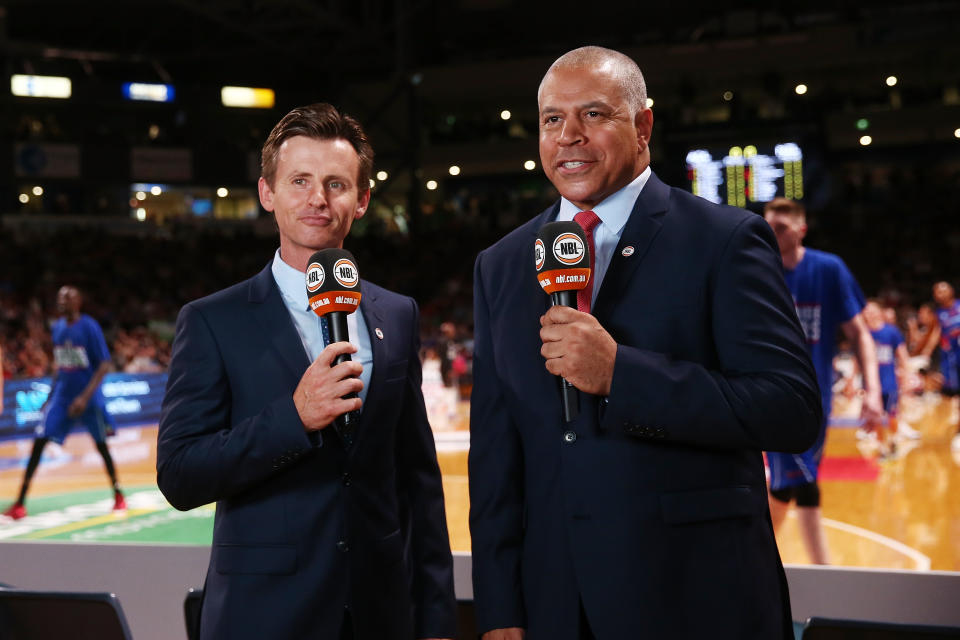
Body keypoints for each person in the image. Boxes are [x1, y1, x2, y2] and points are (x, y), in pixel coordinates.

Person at [469, 46, 821, 640]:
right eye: (553, 119)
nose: (569, 136)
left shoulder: (725, 240)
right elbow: (496, 456)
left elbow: (790, 409)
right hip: (556, 603)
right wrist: (500, 609)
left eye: (595, 114)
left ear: (643, 125)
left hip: (696, 598)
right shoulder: (501, 264)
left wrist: (620, 375)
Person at [156, 103, 456, 640]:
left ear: (362, 200)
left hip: (380, 616)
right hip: (262, 617)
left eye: (336, 183)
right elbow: (180, 474)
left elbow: (417, 480)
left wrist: (435, 616)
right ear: (268, 193)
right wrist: (293, 419)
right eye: (300, 181)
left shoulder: (397, 314)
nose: (318, 199)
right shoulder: (210, 321)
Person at [763, 197, 883, 564]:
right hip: (769, 395)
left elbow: (860, 333)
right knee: (798, 480)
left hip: (816, 396)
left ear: (801, 229)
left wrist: (872, 391)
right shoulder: (755, 270)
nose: (772, 233)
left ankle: (754, 559)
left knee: (790, 484)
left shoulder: (828, 269)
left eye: (781, 227)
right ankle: (819, 569)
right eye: (768, 225)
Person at [3, 286, 125, 520]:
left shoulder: (89, 326)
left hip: (88, 398)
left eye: (67, 298)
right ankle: (20, 503)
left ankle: (118, 495)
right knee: (39, 443)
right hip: (62, 396)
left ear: (78, 301)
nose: (61, 301)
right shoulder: (57, 328)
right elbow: (60, 365)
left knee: (102, 447)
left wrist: (84, 397)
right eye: (59, 297)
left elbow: (103, 365)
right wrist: (50, 396)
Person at [862, 299, 918, 453]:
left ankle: (893, 440)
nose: (869, 314)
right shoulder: (863, 333)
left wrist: (906, 377)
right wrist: (850, 379)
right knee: (876, 415)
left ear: (880, 312)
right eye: (866, 311)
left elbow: (903, 355)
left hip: (889, 382)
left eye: (872, 310)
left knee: (893, 414)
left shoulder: (891, 331)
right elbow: (856, 359)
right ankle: (881, 447)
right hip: (870, 383)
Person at [932, 280, 960, 451]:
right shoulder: (938, 314)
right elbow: (935, 335)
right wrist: (926, 353)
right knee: (955, 396)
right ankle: (958, 431)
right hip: (950, 360)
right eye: (937, 291)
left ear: (951, 290)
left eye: (943, 289)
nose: (940, 293)